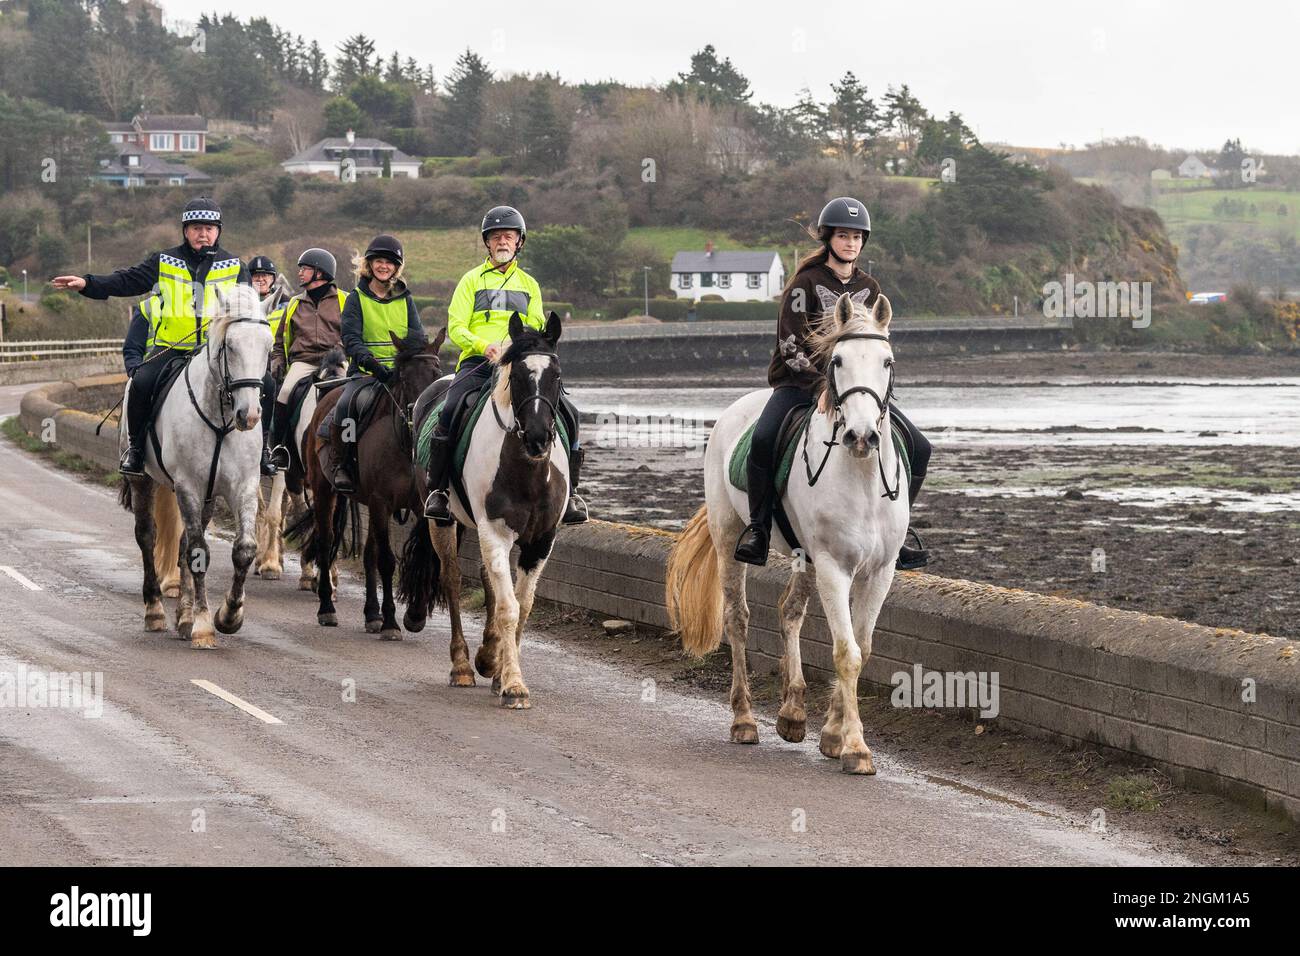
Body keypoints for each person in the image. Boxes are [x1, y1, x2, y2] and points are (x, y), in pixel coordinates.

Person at [732, 197, 932, 570]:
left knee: (920, 447)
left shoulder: (870, 287)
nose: (851, 243)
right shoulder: (803, 284)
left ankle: (899, 533)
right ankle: (758, 530)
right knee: (762, 441)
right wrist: (819, 387)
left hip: (856, 392)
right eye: (844, 235)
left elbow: (871, 348)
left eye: (857, 237)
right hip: (798, 385)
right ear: (828, 238)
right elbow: (789, 346)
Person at [51, 197, 260, 476]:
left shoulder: (236, 266)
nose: (203, 234)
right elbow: (127, 280)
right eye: (196, 228)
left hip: (216, 352)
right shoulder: (164, 260)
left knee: (264, 381)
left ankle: (265, 448)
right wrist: (88, 283)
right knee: (141, 382)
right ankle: (136, 449)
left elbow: (246, 312)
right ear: (185, 231)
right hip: (171, 348)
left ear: (218, 231)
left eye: (209, 228)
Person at [422, 205, 587, 526]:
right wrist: (483, 346)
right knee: (450, 409)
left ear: (519, 242)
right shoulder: (470, 280)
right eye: (496, 237)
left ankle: (573, 493)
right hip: (478, 362)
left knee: (569, 412)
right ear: (487, 243)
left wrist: (521, 349)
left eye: (508, 237)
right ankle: (439, 491)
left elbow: (537, 324)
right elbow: (455, 326)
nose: (502, 242)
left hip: (518, 366)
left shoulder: (529, 285)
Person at [329, 234, 426, 494]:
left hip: (402, 374)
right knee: (347, 405)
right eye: (379, 261)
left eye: (390, 262)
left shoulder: (405, 298)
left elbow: (418, 336)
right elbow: (351, 340)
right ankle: (342, 464)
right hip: (367, 374)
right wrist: (375, 367)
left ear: (397, 267)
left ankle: (431, 469)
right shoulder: (356, 298)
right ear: (369, 265)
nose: (384, 266)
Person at [267, 248, 347, 470]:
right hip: (304, 361)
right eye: (301, 269)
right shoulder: (294, 303)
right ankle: (279, 448)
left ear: (320, 273)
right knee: (283, 394)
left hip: (336, 360)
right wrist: (278, 363)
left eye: (305, 269)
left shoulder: (345, 300)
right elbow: (279, 340)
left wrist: (340, 353)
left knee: (352, 397)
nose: (300, 273)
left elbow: (352, 334)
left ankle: (354, 446)